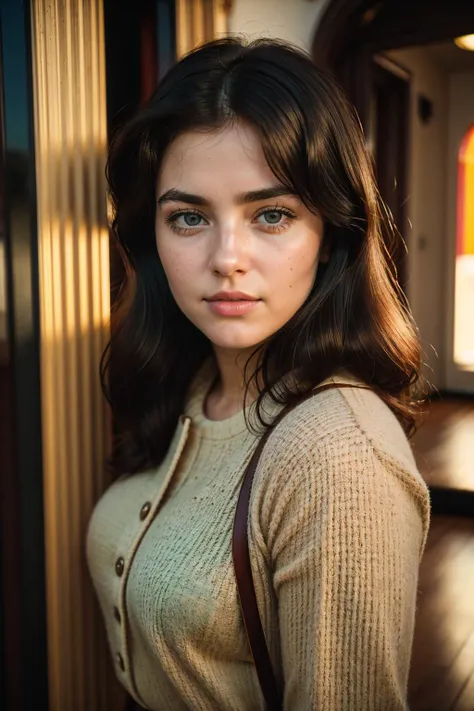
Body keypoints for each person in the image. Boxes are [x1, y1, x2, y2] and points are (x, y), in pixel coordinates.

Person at [86, 37, 431, 711]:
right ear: (151, 237)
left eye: (271, 214)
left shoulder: (336, 454)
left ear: (330, 231)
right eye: (188, 217)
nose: (227, 258)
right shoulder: (188, 385)